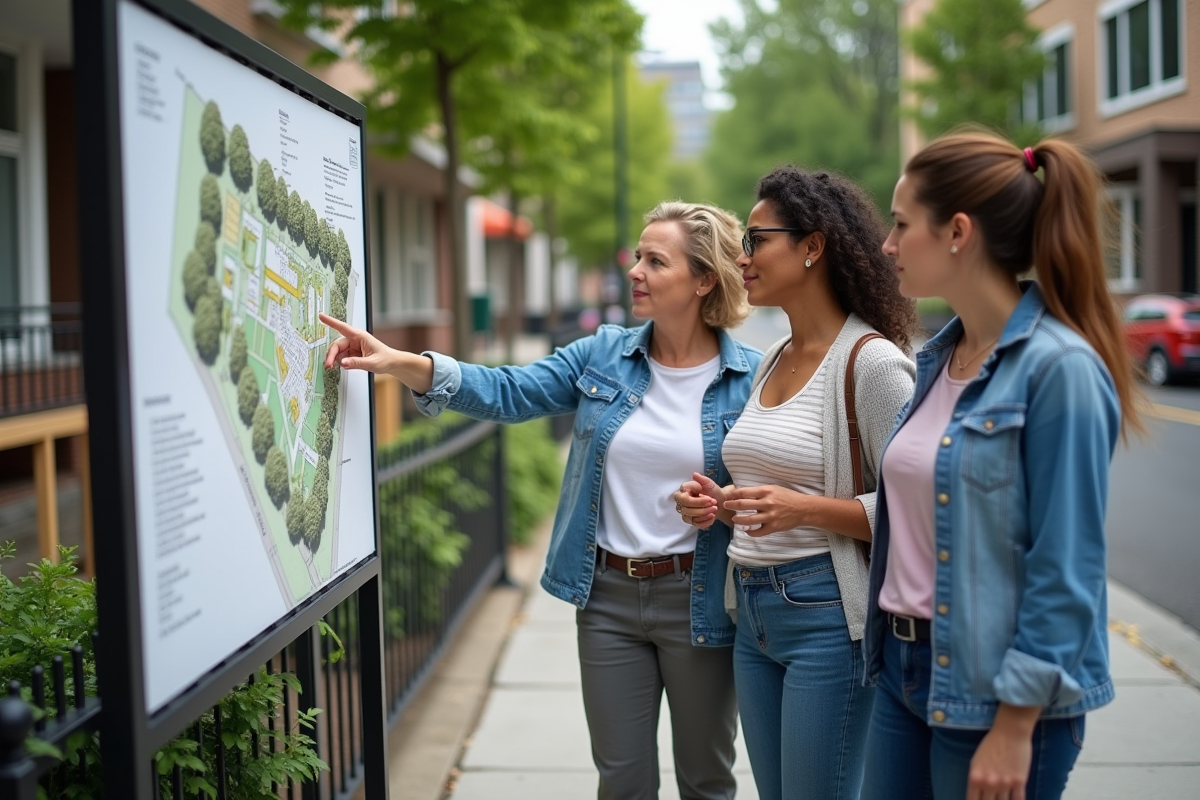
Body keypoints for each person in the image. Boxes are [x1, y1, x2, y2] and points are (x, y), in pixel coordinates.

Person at [320, 201, 763, 800]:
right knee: (622, 780)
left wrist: (723, 504)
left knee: (706, 779)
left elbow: (774, 493)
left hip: (703, 599)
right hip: (606, 598)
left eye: (655, 261)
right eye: (637, 256)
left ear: (704, 279)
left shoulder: (753, 377)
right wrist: (403, 363)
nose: (634, 271)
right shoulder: (602, 354)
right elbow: (509, 392)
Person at [860, 131, 1143, 800]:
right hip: (903, 671)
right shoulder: (935, 360)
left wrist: (1016, 723)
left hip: (997, 696)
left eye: (901, 224)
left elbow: (1066, 566)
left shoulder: (1060, 370)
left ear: (957, 232)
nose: (886, 245)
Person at [675, 167, 919, 800]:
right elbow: (774, 500)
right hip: (752, 609)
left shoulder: (873, 363)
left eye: (757, 239)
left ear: (812, 246)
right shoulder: (773, 360)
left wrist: (801, 508)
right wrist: (723, 504)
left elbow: (917, 511)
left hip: (828, 618)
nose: (741, 256)